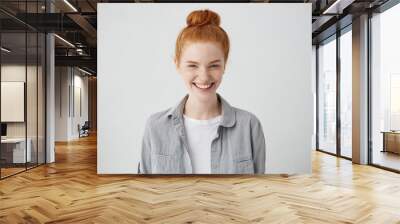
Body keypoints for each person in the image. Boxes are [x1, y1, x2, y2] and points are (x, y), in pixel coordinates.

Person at [139, 9, 266, 174]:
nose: (204, 77)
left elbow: (256, 191)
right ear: (177, 64)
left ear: (225, 65)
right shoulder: (155, 126)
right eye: (192, 65)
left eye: (214, 65)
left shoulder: (249, 125)